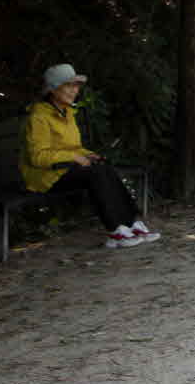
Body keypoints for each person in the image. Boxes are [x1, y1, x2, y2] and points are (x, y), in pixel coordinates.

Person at [21, 64, 158, 249]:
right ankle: (115, 230)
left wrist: (88, 155)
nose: (74, 90)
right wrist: (74, 157)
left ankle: (131, 223)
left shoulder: (67, 112)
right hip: (46, 177)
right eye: (68, 85)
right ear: (53, 89)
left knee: (104, 167)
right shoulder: (38, 117)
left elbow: (74, 147)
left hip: (66, 170)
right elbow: (37, 157)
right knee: (96, 174)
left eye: (76, 85)